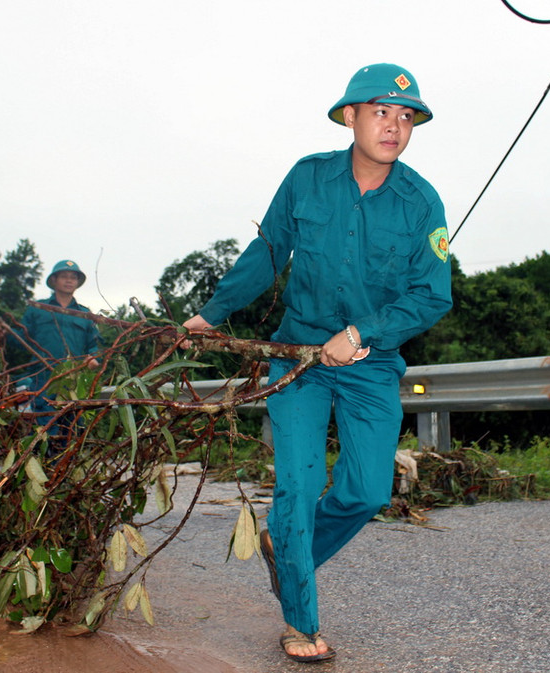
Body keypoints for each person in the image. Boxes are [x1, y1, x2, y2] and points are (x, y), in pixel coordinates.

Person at [183, 63, 452, 663]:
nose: (394, 126)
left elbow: (433, 294)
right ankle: (301, 619)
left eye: (406, 117)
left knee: (366, 492)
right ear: (349, 116)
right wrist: (213, 312)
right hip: (297, 360)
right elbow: (268, 250)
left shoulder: (420, 202)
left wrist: (364, 331)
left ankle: (287, 548)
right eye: (380, 112)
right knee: (299, 487)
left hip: (371, 363)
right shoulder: (308, 179)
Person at [17, 259, 100, 418]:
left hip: (74, 383)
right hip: (42, 381)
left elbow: (94, 346)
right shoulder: (37, 309)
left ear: (77, 282)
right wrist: (5, 333)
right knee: (44, 431)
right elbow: (21, 339)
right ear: (54, 280)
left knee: (72, 432)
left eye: (73, 277)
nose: (69, 280)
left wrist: (93, 359)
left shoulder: (85, 314)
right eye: (64, 276)